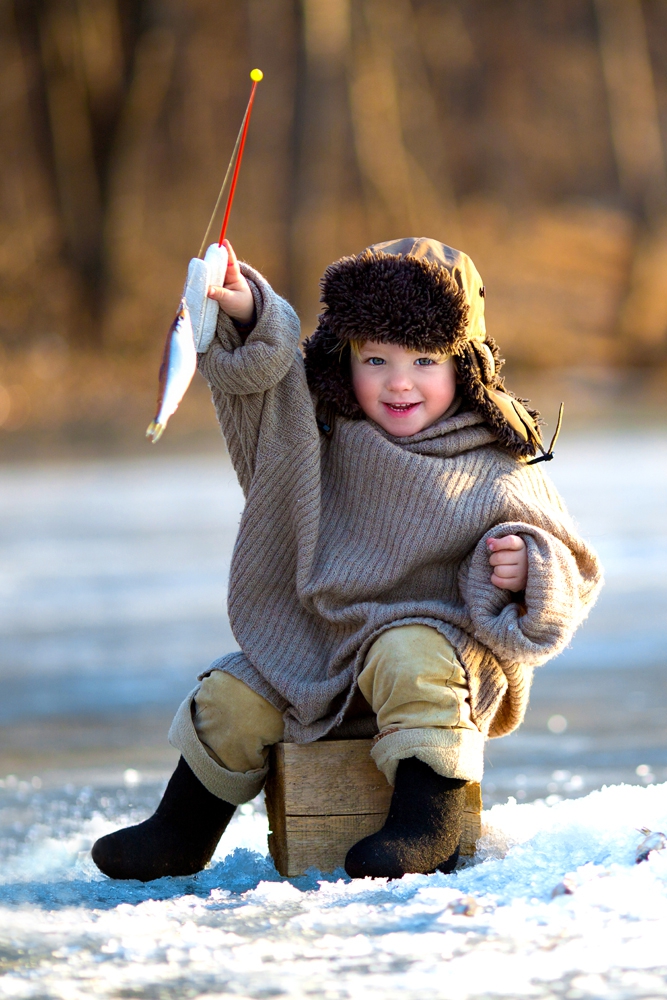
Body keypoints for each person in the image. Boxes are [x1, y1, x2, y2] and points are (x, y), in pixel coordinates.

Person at [92, 237, 602, 882]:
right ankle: (180, 832)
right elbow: (264, 391)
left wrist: (530, 569)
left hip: (441, 668)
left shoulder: (493, 459)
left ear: (464, 365)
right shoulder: (320, 439)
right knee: (232, 693)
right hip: (323, 653)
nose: (399, 382)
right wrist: (249, 316)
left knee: (408, 653)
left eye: (424, 359)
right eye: (375, 358)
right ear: (345, 357)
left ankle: (429, 819)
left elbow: (574, 568)